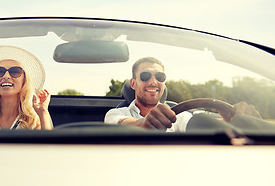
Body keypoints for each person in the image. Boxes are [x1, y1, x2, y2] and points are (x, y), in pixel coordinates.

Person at [104, 57, 262, 132]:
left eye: (159, 77)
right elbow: (127, 124)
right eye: (145, 76)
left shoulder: (179, 115)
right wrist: (145, 123)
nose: (153, 82)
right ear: (133, 83)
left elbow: (197, 127)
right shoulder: (116, 113)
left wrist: (232, 121)